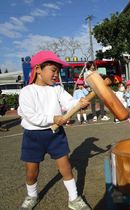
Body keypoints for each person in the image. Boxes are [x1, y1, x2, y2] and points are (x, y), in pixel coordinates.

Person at [17, 50, 90, 210]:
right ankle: (32, 195)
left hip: (55, 135)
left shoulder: (56, 89)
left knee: (66, 167)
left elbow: (69, 102)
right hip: (33, 136)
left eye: (58, 71)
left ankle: (74, 198)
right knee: (31, 171)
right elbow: (31, 117)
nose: (57, 74)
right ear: (38, 69)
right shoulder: (27, 92)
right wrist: (54, 118)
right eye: (53, 70)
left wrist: (80, 103)